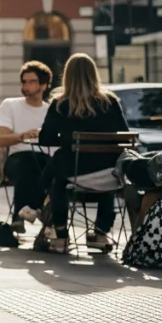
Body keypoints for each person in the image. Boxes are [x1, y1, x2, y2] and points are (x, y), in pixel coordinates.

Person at [37, 53, 129, 254]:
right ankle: (100, 232)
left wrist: (68, 140)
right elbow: (124, 136)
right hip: (109, 175)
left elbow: (44, 140)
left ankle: (60, 233)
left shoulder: (60, 104)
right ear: (93, 74)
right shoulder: (110, 102)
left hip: (75, 173)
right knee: (105, 171)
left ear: (67, 76)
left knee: (58, 175)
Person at [0, 61, 53, 233]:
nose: (26, 86)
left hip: (44, 158)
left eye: (31, 82)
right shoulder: (10, 105)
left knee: (52, 168)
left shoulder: (50, 111)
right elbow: (0, 139)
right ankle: (34, 211)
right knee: (29, 163)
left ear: (43, 85)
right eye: (23, 81)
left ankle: (29, 212)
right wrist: (22, 136)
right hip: (17, 158)